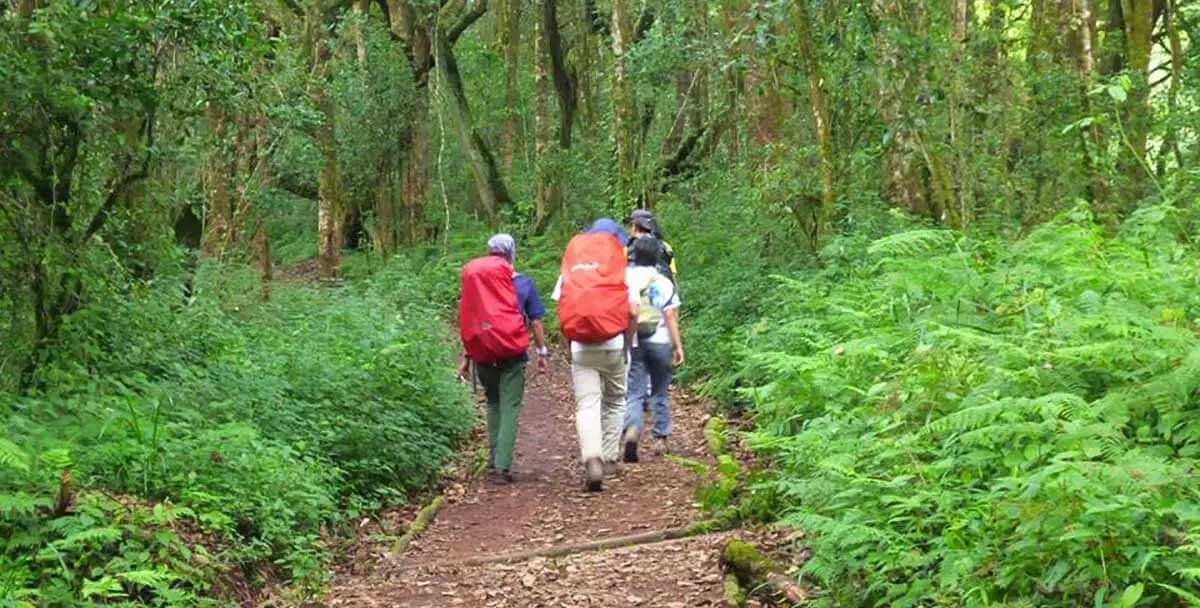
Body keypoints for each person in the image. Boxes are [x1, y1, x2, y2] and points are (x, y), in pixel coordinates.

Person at [553, 219, 640, 492]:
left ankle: (592, 458)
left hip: (580, 345)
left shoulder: (573, 269)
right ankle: (610, 457)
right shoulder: (623, 268)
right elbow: (634, 311)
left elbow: (562, 306)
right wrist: (628, 339)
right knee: (614, 399)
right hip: (614, 342)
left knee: (587, 404)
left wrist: (568, 344)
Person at [457, 234, 548, 484]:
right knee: (510, 406)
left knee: (493, 403)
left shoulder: (476, 283)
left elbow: (470, 319)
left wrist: (467, 358)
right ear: (511, 253)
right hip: (512, 353)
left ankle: (493, 458)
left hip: (483, 353)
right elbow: (536, 322)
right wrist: (542, 352)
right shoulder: (523, 284)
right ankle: (502, 467)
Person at [622, 236, 684, 462]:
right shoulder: (664, 281)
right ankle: (660, 438)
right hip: (659, 339)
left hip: (635, 339)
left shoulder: (625, 278)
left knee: (635, 391)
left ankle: (632, 429)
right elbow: (671, 315)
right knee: (660, 389)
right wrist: (678, 345)